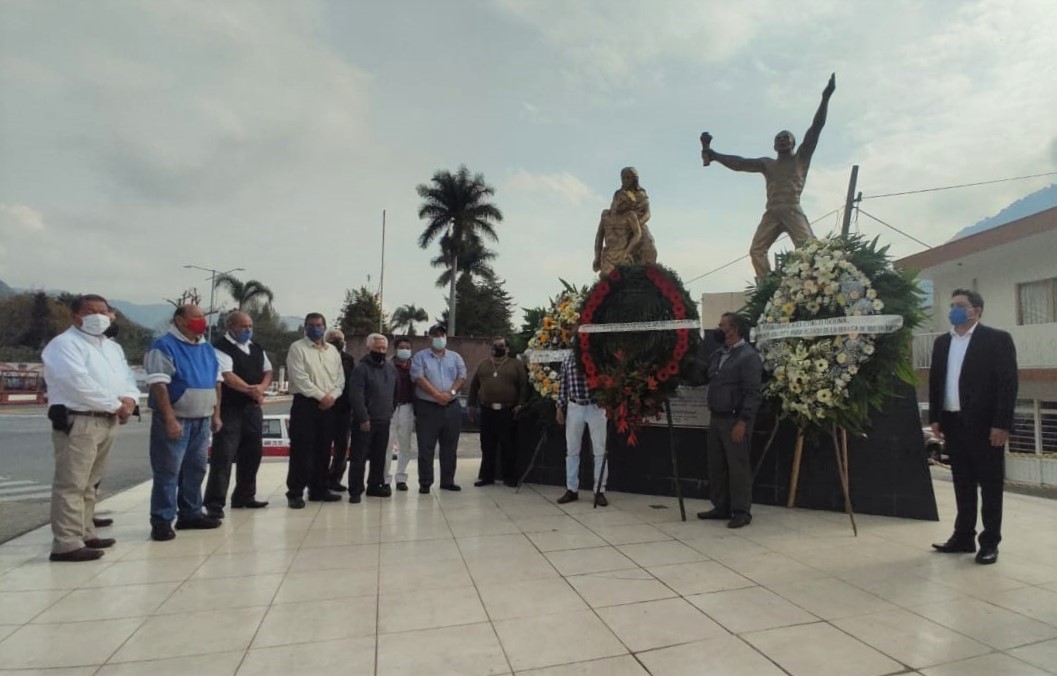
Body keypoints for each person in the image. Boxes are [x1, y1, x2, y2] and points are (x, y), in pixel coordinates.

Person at [703, 73, 835, 279]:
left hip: (792, 210)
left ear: (793, 142)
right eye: (779, 138)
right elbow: (740, 163)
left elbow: (816, 128)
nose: (782, 140)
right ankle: (766, 287)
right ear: (774, 145)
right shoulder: (767, 164)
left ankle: (817, 281)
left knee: (811, 250)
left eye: (786, 138)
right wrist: (715, 155)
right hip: (772, 212)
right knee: (756, 250)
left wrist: (825, 98)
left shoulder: (801, 158)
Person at [42, 294, 139, 561]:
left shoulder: (111, 347)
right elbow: (78, 383)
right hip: (80, 419)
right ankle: (66, 542)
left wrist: (130, 399)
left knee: (91, 482)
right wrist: (115, 404)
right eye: (90, 311)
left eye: (103, 311)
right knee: (71, 482)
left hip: (108, 418)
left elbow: (127, 378)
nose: (99, 316)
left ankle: (86, 531)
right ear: (76, 317)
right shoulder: (64, 345)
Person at [929, 289, 1018, 565]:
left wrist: (1001, 424)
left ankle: (990, 542)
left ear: (976, 310)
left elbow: (1008, 385)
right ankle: (963, 535)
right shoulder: (943, 342)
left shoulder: (996, 340)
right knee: (963, 483)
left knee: (990, 486)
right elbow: (936, 382)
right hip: (953, 422)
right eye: (952, 304)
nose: (954, 309)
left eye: (960, 305)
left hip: (985, 426)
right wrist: (935, 417)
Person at [144, 305, 223, 541]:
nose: (202, 321)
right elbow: (159, 385)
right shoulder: (164, 346)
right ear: (179, 320)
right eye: (196, 317)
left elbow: (216, 383)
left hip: (202, 418)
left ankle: (191, 512)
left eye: (203, 318)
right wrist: (169, 418)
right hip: (176, 418)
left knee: (196, 468)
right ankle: (162, 519)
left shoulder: (206, 347)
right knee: (168, 471)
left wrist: (216, 414)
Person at [203, 311, 272, 519]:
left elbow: (268, 371)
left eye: (250, 326)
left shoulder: (256, 347)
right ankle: (215, 503)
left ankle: (245, 495)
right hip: (230, 408)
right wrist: (252, 391)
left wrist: (260, 387)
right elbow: (227, 376)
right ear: (231, 327)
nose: (248, 330)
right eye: (243, 326)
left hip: (252, 409)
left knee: (252, 454)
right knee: (223, 456)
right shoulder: (219, 347)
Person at [696, 313, 763, 529]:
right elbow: (703, 376)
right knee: (717, 465)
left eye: (721, 325)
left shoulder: (748, 356)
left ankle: (741, 511)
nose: (718, 328)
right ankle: (721, 506)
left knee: (738, 467)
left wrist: (743, 422)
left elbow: (753, 393)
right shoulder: (718, 354)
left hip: (735, 420)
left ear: (733, 329)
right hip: (716, 418)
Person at [285, 313, 345, 508]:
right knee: (302, 450)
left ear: (325, 326)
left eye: (319, 325)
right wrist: (322, 396)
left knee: (324, 449)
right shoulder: (297, 348)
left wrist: (332, 396)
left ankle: (319, 489)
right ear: (305, 327)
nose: (315, 328)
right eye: (311, 325)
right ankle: (295, 492)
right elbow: (300, 378)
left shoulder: (332, 352)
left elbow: (340, 379)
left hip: (329, 405)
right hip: (306, 404)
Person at [410, 324, 467, 493]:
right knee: (426, 446)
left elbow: (462, 376)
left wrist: (450, 393)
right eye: (435, 335)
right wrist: (437, 395)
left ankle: (448, 481)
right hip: (428, 407)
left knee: (450, 447)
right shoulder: (420, 357)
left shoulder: (455, 357)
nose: (439, 338)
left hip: (451, 406)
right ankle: (425, 482)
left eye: (442, 335)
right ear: (429, 337)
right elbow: (418, 378)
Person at [468, 336, 528, 487]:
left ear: (507, 349)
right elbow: (474, 386)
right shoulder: (483, 364)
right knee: (487, 445)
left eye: (500, 345)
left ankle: (509, 477)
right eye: (495, 345)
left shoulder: (516, 365)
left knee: (508, 445)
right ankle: (487, 477)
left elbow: (524, 386)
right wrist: (471, 405)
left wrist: (520, 403)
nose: (496, 348)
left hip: (507, 411)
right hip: (487, 410)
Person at [347, 333, 397, 502]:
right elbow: (356, 394)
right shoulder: (361, 368)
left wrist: (390, 411)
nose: (381, 351)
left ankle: (374, 486)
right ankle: (355, 490)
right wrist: (363, 417)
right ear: (369, 348)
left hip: (384, 419)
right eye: (378, 348)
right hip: (365, 421)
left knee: (379, 456)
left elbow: (394, 393)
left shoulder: (390, 368)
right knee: (359, 457)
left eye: (384, 348)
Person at [555, 347, 608, 506]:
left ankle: (600, 490)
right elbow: (563, 383)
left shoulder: (598, 354)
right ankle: (572, 489)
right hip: (575, 407)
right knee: (572, 450)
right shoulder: (568, 357)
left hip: (596, 407)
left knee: (599, 451)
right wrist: (559, 407)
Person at [592, 167, 658, 276]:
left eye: (628, 178)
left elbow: (647, 213)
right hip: (621, 223)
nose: (625, 180)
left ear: (635, 179)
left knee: (649, 246)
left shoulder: (641, 195)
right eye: (623, 178)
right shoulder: (618, 194)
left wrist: (637, 224)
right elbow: (613, 209)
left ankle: (646, 273)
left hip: (638, 223)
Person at [325, 329, 355, 492]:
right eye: (333, 338)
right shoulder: (321, 356)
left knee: (342, 448)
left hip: (344, 410)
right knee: (322, 447)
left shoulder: (348, 359)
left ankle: (335, 478)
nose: (336, 341)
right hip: (324, 408)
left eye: (339, 339)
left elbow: (352, 383)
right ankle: (319, 479)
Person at [388, 336, 416, 491]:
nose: (405, 350)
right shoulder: (387, 364)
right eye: (402, 347)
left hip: (408, 407)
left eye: (408, 347)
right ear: (395, 349)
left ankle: (401, 478)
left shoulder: (415, 366)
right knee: (387, 444)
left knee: (405, 445)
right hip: (391, 408)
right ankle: (385, 479)